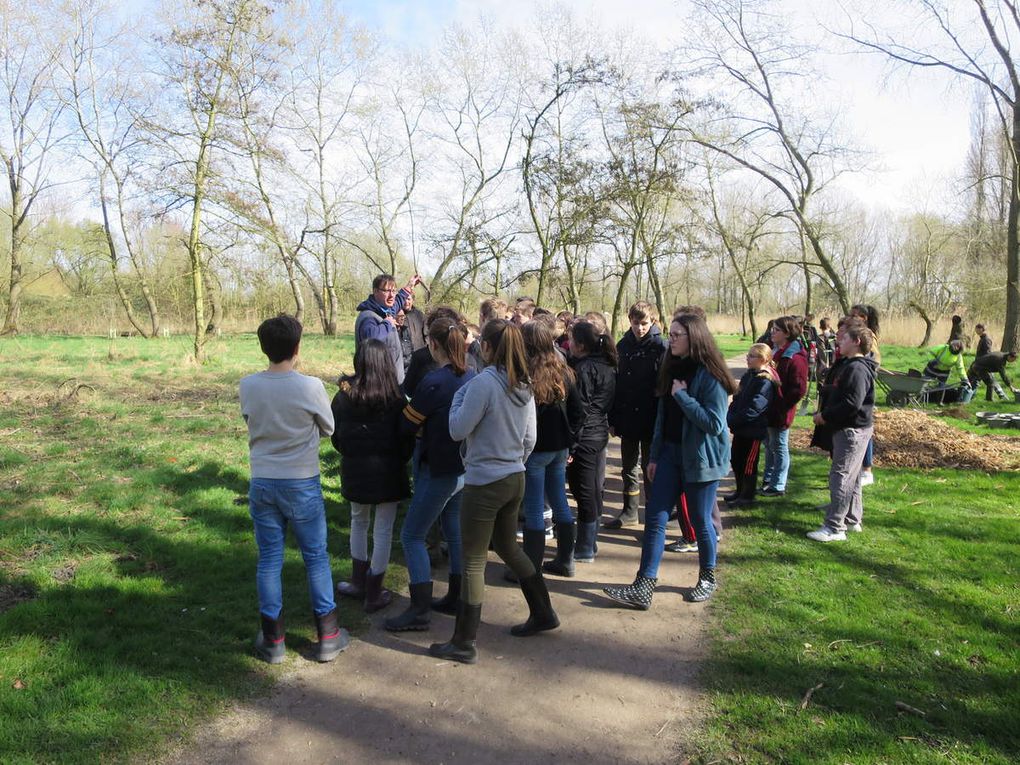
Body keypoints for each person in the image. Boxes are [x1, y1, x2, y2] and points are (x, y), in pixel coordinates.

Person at [430, 319, 556, 665]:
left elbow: (457, 430)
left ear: (486, 347)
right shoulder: (524, 382)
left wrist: (457, 398)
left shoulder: (484, 384)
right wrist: (512, 461)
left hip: (485, 481)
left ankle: (463, 641)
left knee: (473, 560)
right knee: (507, 547)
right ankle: (543, 612)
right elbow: (530, 439)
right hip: (514, 477)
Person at [602, 313, 735, 608]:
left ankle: (707, 577)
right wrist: (656, 455)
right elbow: (663, 416)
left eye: (676, 335)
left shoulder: (710, 374)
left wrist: (684, 397)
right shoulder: (671, 366)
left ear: (694, 338)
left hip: (701, 459)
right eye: (671, 334)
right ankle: (644, 585)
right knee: (655, 518)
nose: (670, 339)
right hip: (669, 456)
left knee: (701, 521)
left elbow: (714, 423)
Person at [240, 315, 348, 663]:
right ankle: (328, 636)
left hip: (263, 480)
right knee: (315, 556)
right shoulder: (311, 386)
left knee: (269, 559)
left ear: (263, 348)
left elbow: (250, 419)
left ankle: (273, 641)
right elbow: (329, 428)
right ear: (297, 348)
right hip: (301, 481)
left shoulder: (248, 386)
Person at [385, 318, 476, 632]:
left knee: (411, 535)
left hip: (437, 466)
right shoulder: (472, 376)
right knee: (453, 529)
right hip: (463, 466)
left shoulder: (434, 381)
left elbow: (408, 425)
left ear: (433, 345)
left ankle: (420, 609)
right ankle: (455, 595)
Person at [331, 339, 414, 613]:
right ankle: (374, 591)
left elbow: (336, 434)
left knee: (358, 521)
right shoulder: (397, 399)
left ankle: (359, 582)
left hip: (356, 469)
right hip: (389, 471)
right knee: (383, 529)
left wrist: (350, 453)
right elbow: (406, 440)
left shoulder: (344, 395)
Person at [519, 322, 584, 577]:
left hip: (537, 450)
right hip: (559, 448)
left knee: (535, 506)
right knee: (559, 501)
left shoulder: (526, 376)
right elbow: (579, 412)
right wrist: (571, 442)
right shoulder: (565, 371)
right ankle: (566, 561)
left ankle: (531, 567)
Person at [808, 322, 878, 542]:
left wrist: (824, 416)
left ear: (856, 342)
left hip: (851, 431)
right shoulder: (850, 365)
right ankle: (852, 519)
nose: (839, 340)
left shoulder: (857, 368)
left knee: (841, 476)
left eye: (845, 338)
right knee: (853, 476)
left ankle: (834, 527)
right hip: (854, 429)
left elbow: (852, 403)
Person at [606, 301, 667, 529]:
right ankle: (629, 511)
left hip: (651, 419)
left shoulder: (661, 347)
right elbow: (616, 384)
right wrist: (613, 419)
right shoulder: (623, 345)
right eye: (635, 323)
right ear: (629, 321)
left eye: (644, 323)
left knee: (651, 468)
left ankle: (653, 516)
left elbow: (664, 388)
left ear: (652, 321)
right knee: (628, 467)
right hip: (628, 418)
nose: (640, 328)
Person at [566, 319, 617, 563]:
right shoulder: (606, 364)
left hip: (586, 435)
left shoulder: (585, 369)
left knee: (583, 490)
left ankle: (585, 546)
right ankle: (589, 542)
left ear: (581, 345)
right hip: (598, 432)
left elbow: (581, 409)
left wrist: (572, 444)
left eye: (572, 341)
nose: (569, 344)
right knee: (592, 489)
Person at [725, 343, 779, 508]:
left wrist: (736, 419)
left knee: (749, 464)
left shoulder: (765, 381)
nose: (747, 359)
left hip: (753, 429)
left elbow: (756, 408)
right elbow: (737, 397)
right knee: (736, 460)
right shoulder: (749, 375)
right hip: (741, 428)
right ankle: (740, 490)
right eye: (748, 355)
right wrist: (731, 414)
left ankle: (747, 496)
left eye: (751, 356)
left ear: (762, 359)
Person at [761, 316, 808, 497]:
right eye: (772, 329)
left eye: (777, 330)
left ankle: (778, 484)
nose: (772, 333)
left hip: (780, 411)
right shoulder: (777, 352)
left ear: (787, 334)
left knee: (779, 446)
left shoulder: (795, 357)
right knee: (770, 444)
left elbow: (799, 389)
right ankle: (769, 479)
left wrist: (781, 405)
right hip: (770, 408)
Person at [355, 273, 421, 384]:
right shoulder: (368, 316)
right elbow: (371, 340)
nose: (391, 296)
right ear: (375, 291)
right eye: (386, 291)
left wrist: (410, 286)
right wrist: (387, 324)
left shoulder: (386, 310)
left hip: (392, 382)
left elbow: (399, 300)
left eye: (393, 291)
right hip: (378, 385)